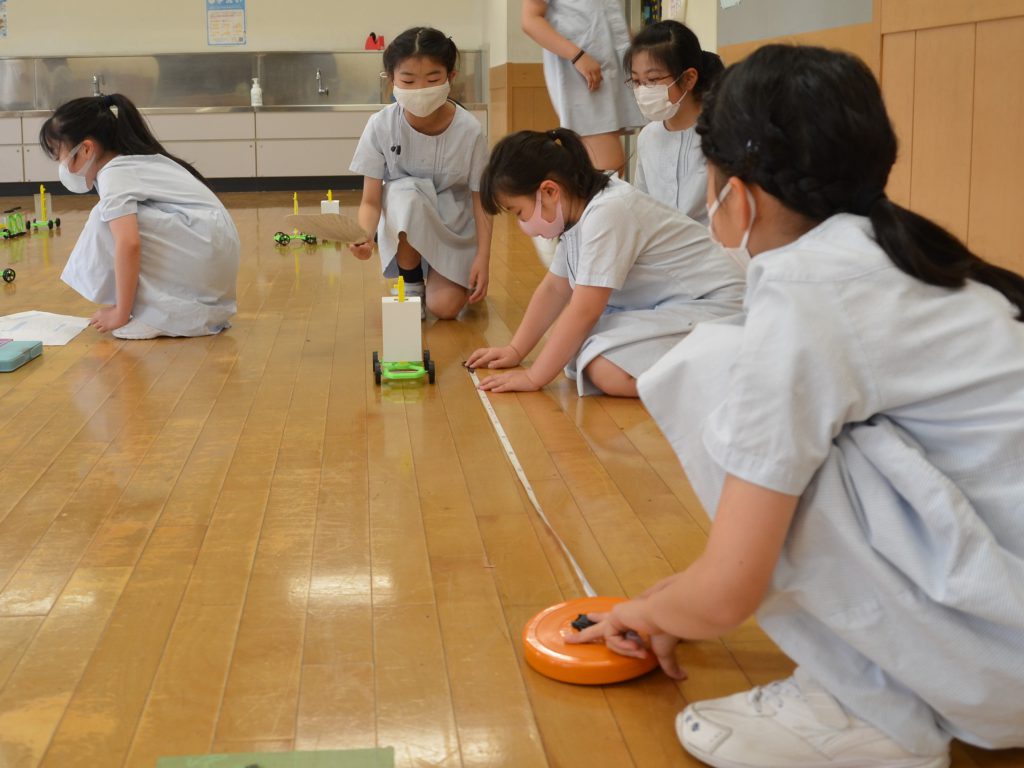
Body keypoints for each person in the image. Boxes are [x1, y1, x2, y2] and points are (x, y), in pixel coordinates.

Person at [569, 45, 1024, 768]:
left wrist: (648, 612)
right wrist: (675, 594)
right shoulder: (890, 251)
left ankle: (865, 709)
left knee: (710, 366)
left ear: (736, 195)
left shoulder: (807, 296)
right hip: (1006, 622)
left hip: (1007, 663)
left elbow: (730, 591)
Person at [466, 128, 744, 397]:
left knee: (604, 369)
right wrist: (516, 350)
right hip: (677, 306)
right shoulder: (580, 210)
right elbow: (554, 288)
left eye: (519, 212)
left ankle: (732, 380)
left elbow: (585, 309)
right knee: (579, 349)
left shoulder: (608, 211)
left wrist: (533, 376)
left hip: (716, 305)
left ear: (549, 191)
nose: (523, 224)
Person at [40, 94, 239, 340]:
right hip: (210, 264)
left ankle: (160, 315)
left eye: (59, 155)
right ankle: (160, 308)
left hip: (203, 254)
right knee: (112, 218)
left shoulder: (114, 174)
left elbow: (129, 244)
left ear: (86, 149)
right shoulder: (132, 162)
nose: (59, 164)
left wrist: (120, 314)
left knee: (104, 220)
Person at [349, 26, 492, 320]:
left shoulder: (470, 130)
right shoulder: (381, 125)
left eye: (432, 79)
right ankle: (411, 281)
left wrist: (483, 258)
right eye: (408, 80)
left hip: (454, 225)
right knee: (404, 191)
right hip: (407, 225)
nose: (420, 90)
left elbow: (482, 200)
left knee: (445, 308)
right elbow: (371, 200)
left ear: (451, 77)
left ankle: (443, 278)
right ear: (392, 81)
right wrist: (364, 235)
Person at [521, 0, 644, 174]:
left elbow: (612, 20)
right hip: (582, 74)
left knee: (608, 168)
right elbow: (530, 21)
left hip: (612, 70)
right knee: (607, 170)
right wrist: (577, 56)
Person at [625, 19, 723, 224]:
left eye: (652, 80)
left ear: (688, 78)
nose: (643, 90)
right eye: (636, 81)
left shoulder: (721, 132)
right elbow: (642, 207)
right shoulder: (648, 137)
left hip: (714, 250)